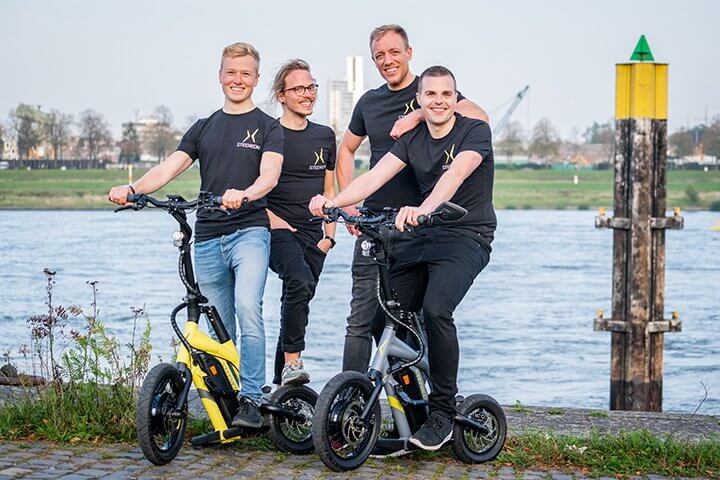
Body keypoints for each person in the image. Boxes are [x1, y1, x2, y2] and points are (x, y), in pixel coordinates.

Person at [310, 65, 496, 451]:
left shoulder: (474, 132)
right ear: (421, 100)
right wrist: (335, 202)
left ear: (456, 98)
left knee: (436, 309)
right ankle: (412, 403)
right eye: (431, 95)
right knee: (382, 316)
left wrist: (423, 208)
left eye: (447, 95)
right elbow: (374, 176)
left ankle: (443, 412)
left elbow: (456, 175)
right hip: (423, 234)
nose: (439, 102)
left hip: (466, 234)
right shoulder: (413, 137)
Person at [108, 42, 283, 429]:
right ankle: (229, 403)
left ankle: (252, 399)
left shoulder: (269, 127)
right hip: (206, 238)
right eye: (231, 72)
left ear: (256, 79)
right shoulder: (204, 127)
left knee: (248, 308)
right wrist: (134, 189)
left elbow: (269, 176)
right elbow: (168, 168)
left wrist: (246, 193)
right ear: (220, 76)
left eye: (246, 73)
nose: (238, 80)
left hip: (250, 231)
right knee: (218, 324)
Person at [337, 24, 489, 373]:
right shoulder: (369, 102)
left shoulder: (433, 92)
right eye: (379, 55)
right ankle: (350, 404)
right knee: (361, 319)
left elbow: (480, 118)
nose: (387, 60)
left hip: (418, 224)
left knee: (416, 318)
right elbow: (345, 151)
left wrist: (418, 112)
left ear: (409, 53)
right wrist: (345, 205)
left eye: (394, 52)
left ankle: (424, 403)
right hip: (373, 222)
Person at [265, 59, 337, 386]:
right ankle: (294, 363)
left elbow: (329, 187)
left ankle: (281, 391)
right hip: (275, 229)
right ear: (282, 95)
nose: (307, 94)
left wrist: (329, 237)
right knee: (298, 282)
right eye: (298, 89)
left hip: (314, 236)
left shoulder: (325, 135)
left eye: (311, 87)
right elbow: (255, 187)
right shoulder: (269, 133)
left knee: (297, 303)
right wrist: (273, 222)